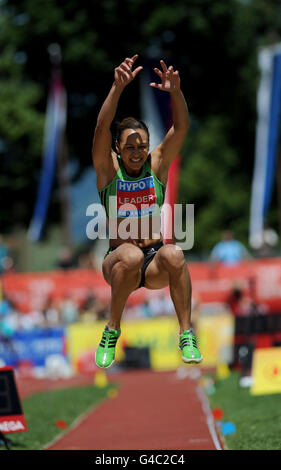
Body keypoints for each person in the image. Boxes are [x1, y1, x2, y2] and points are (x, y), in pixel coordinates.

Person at [92, 54, 202, 368]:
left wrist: (176, 92)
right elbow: (101, 128)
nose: (137, 152)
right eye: (129, 147)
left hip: (153, 262)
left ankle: (186, 334)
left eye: (142, 146)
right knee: (130, 255)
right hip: (118, 262)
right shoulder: (109, 172)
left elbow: (180, 128)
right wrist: (116, 88)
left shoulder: (157, 166)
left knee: (176, 254)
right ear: (117, 148)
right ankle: (112, 330)